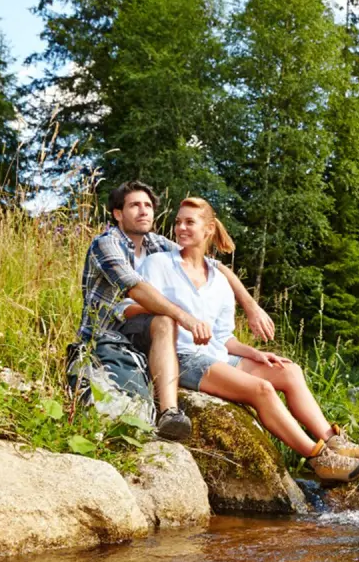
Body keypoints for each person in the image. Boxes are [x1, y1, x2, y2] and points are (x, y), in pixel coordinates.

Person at [124, 197, 359, 482]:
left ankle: (334, 441)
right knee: (262, 389)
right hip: (182, 356)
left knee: (289, 371)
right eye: (178, 222)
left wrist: (254, 354)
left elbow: (224, 339)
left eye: (189, 222)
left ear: (208, 229)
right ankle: (318, 457)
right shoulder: (158, 263)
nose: (180, 228)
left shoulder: (219, 280)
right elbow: (131, 307)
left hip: (219, 357)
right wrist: (182, 316)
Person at [68, 181, 274, 440]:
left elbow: (216, 266)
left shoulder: (156, 244)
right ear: (118, 214)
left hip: (145, 335)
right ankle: (170, 411)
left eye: (148, 206)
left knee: (165, 321)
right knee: (165, 320)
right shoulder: (106, 244)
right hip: (109, 335)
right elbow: (136, 289)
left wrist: (251, 306)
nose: (143, 211)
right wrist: (185, 317)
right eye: (134, 206)